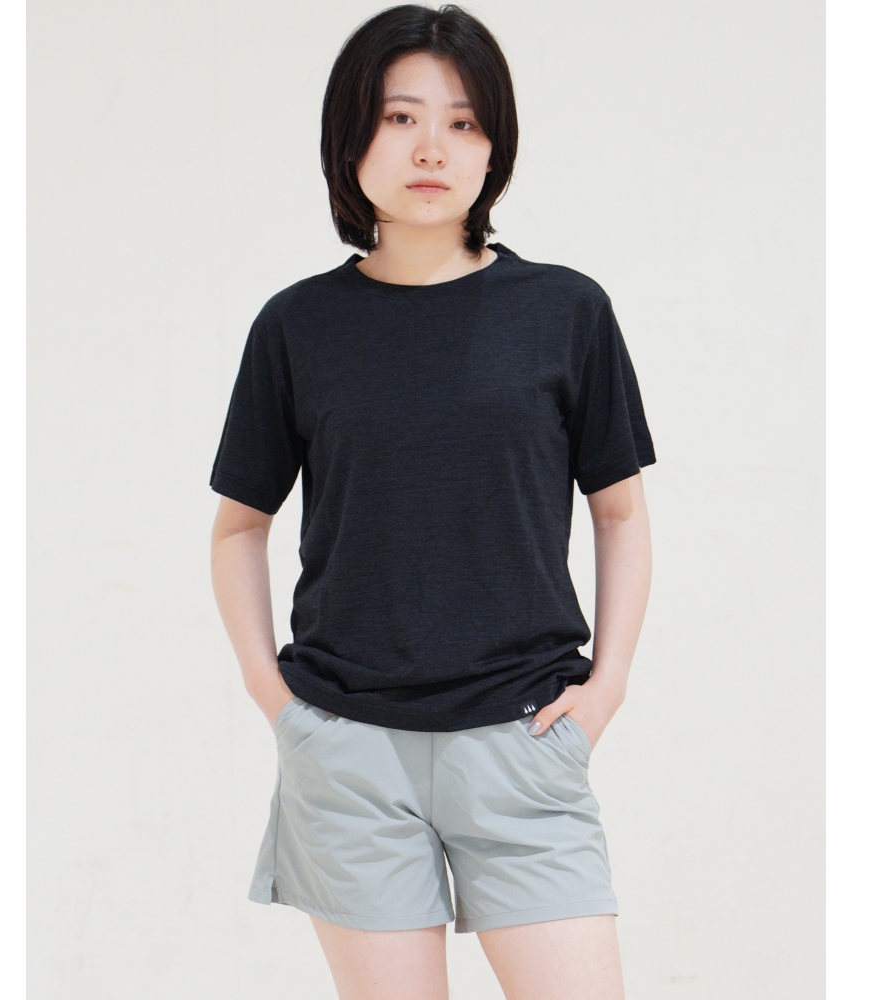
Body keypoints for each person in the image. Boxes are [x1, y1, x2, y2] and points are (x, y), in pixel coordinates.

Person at [209, 5, 654, 998]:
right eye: (400, 117)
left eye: (463, 122)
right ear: (351, 137)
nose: (431, 148)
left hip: (524, 736)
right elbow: (239, 525)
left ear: (494, 147)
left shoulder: (566, 311)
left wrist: (609, 684)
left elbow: (619, 510)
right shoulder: (296, 327)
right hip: (348, 752)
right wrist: (274, 698)